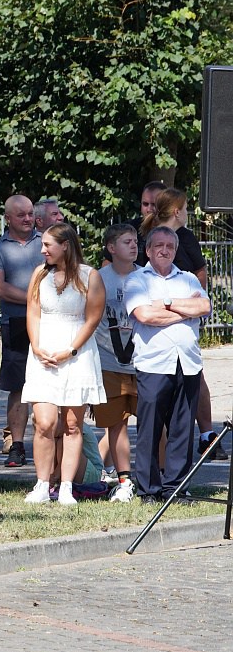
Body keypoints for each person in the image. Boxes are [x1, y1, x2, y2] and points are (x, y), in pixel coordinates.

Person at [21, 223, 106, 506]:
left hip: (77, 353)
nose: (42, 250)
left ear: (66, 246)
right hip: (43, 352)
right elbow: (32, 312)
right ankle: (42, 484)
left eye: (48, 245)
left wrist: (70, 350)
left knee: (72, 423)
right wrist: (36, 345)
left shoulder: (89, 275)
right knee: (44, 421)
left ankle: (67, 486)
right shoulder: (39, 274)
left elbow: (93, 318)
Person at [140, 187, 226, 460]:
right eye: (187, 208)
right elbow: (146, 300)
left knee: (194, 375)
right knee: (158, 396)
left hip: (184, 328)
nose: (165, 250)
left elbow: (200, 289)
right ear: (177, 211)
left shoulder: (187, 239)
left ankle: (205, 434)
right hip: (154, 338)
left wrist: (179, 306)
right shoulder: (149, 238)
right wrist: (179, 307)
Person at [126, 226, 211, 503]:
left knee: (183, 429)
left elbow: (204, 308)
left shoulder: (187, 278)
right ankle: (148, 490)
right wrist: (182, 311)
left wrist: (165, 304)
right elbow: (144, 315)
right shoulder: (136, 280)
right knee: (150, 429)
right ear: (148, 250)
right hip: (153, 363)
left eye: (170, 247)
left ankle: (177, 488)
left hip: (187, 363)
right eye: (158, 245)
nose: (165, 250)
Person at [0, 195, 41, 467]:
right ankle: (17, 444)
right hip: (16, 322)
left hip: (50, 323)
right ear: (8, 218)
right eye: (21, 215)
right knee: (18, 386)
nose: (28, 219)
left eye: (30, 213)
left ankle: (53, 442)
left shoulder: (46, 242)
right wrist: (37, 299)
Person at [93, 224, 140, 503]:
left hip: (143, 363)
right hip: (109, 362)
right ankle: (123, 480)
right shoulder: (98, 278)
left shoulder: (145, 276)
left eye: (135, 241)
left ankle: (154, 476)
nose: (133, 246)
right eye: (126, 242)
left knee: (153, 423)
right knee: (116, 424)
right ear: (112, 248)